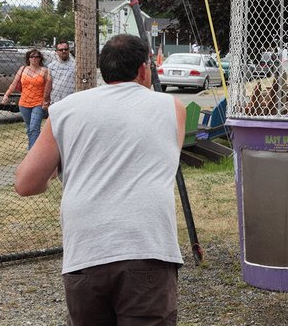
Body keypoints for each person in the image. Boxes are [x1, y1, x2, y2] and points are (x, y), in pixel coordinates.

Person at [14, 34, 186, 324]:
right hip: (148, 245)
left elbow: (26, 183)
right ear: (143, 70)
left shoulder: (65, 110)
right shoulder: (172, 108)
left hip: (87, 250)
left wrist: (61, 169)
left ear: (103, 71)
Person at [2, 48, 52, 149]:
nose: (34, 58)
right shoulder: (23, 69)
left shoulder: (44, 70)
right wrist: (6, 95)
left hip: (38, 103)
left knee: (34, 128)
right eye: (32, 56)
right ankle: (35, 148)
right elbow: (14, 83)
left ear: (40, 58)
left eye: (37, 56)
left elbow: (48, 87)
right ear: (28, 58)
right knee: (29, 128)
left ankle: (32, 152)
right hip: (23, 103)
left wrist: (46, 101)